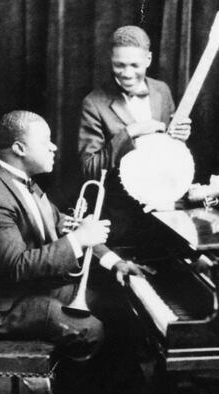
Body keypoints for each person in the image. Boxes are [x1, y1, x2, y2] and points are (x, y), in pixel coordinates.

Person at [0, 110, 158, 394]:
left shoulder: (28, 183)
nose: (53, 148)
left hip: (32, 291)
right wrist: (79, 240)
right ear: (19, 147)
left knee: (122, 311)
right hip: (0, 306)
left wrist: (113, 262)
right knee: (87, 330)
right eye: (45, 141)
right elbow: (18, 266)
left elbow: (69, 230)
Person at [78, 25, 191, 244]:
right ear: (111, 59)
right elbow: (88, 169)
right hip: (122, 222)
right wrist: (129, 133)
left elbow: (168, 151)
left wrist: (179, 137)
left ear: (148, 59)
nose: (127, 73)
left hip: (165, 213)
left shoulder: (162, 90)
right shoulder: (93, 103)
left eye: (135, 65)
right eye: (119, 65)